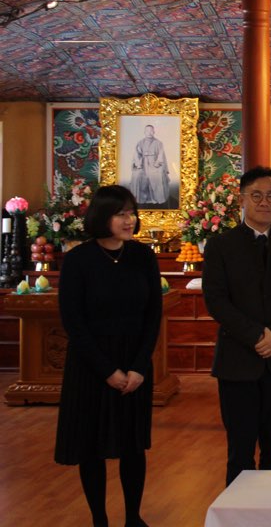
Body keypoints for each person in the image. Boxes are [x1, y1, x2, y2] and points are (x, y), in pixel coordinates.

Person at [55, 185, 162, 527]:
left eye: (131, 213)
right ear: (103, 217)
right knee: (92, 447)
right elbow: (74, 322)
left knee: (133, 446)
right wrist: (107, 371)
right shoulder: (77, 260)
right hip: (91, 365)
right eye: (121, 214)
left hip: (135, 363)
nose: (129, 220)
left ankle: (133, 517)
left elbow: (152, 316)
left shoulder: (144, 257)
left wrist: (139, 366)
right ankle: (99, 519)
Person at [202, 166, 271, 486]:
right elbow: (217, 300)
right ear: (242, 200)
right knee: (240, 450)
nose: (265, 202)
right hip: (238, 361)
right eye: (257, 195)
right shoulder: (221, 246)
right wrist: (256, 336)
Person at [130, 125, 170, 208]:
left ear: (154, 132)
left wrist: (157, 163)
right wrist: (138, 163)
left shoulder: (158, 143)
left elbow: (161, 155)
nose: (149, 133)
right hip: (143, 164)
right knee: (140, 178)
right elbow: (136, 154)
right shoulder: (140, 143)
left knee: (156, 179)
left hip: (154, 164)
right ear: (144, 132)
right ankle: (142, 199)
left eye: (151, 131)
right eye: (147, 131)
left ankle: (158, 199)